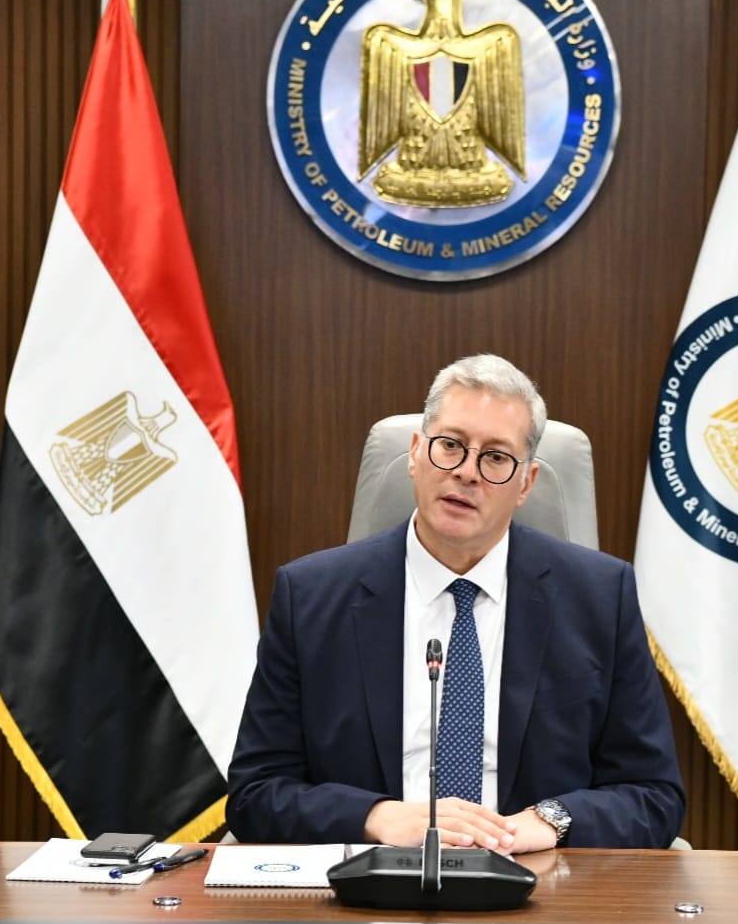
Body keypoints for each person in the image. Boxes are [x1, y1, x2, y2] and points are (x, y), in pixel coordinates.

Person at [227, 354, 685, 851]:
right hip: (371, 873)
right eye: (450, 445)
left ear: (526, 483)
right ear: (415, 453)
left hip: (533, 877)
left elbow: (653, 796)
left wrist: (547, 822)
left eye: (496, 458)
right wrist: (376, 817)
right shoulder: (310, 597)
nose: (467, 472)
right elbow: (256, 793)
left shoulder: (600, 598)